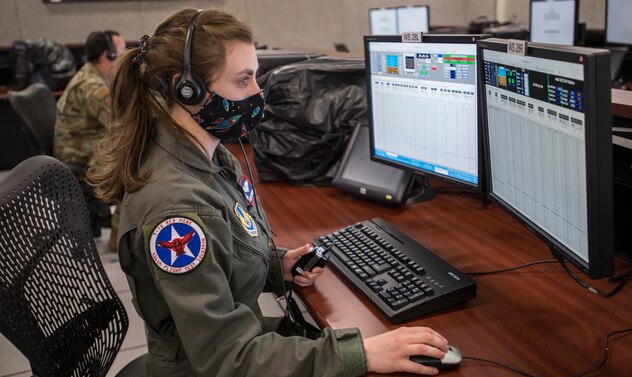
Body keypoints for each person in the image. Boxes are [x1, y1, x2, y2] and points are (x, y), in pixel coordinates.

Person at [88, 8, 449, 376]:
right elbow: (228, 359)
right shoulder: (178, 210)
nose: (258, 93)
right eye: (244, 80)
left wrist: (276, 266)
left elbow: (224, 254)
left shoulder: (207, 157)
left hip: (231, 343)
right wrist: (363, 355)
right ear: (188, 88)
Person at [54, 30, 126, 247]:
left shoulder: (93, 75)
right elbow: (121, 125)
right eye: (121, 52)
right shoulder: (92, 86)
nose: (124, 57)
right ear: (108, 55)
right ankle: (119, 232)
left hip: (85, 142)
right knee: (132, 161)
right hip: (80, 152)